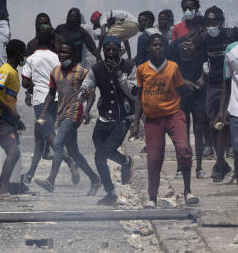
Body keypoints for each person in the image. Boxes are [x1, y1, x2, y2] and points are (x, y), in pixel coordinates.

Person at [131, 34, 199, 208]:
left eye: (161, 45)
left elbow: (181, 89)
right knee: (154, 158)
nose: (158, 48)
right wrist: (136, 121)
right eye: (154, 45)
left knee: (184, 149)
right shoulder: (142, 69)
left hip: (174, 115)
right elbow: (139, 96)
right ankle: (152, 197)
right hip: (153, 119)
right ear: (148, 48)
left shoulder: (173, 67)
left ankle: (188, 191)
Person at [35, 42, 101, 196]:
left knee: (57, 144)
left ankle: (50, 181)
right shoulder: (55, 72)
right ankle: (95, 179)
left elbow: (91, 93)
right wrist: (43, 112)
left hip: (75, 113)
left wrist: (87, 110)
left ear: (71, 55)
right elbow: (51, 93)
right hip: (62, 114)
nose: (62, 55)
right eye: (60, 52)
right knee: (74, 152)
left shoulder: (82, 72)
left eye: (66, 52)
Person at [79, 36, 136, 205]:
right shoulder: (97, 68)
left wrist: (119, 75)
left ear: (120, 50)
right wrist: (83, 95)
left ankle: (126, 162)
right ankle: (110, 192)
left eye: (114, 50)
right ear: (103, 51)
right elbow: (87, 87)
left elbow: (134, 92)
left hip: (123, 117)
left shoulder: (129, 67)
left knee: (109, 149)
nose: (110, 53)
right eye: (107, 50)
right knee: (98, 156)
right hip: (104, 117)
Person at [21, 31, 79, 185]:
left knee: (47, 135)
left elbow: (25, 81)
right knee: (40, 137)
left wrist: (32, 87)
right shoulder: (56, 57)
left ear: (37, 41)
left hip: (41, 102)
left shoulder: (31, 59)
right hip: (57, 99)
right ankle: (30, 174)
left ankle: (69, 160)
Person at [0, 39, 27, 201]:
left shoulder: (14, 72)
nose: (26, 57)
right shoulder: (5, 71)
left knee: (13, 152)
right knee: (13, 152)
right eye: (24, 53)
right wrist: (9, 111)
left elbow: (8, 99)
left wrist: (17, 119)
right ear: (17, 54)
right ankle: (2, 190)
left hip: (5, 117)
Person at [203, 6, 238, 181]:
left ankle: (220, 163)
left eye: (214, 22)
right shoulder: (204, 39)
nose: (211, 26)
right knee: (213, 124)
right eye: (208, 23)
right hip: (212, 86)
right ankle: (221, 161)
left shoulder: (231, 36)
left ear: (221, 22)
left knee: (224, 122)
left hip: (229, 85)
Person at [168, 33, 208, 179]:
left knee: (198, 131)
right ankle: (181, 167)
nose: (187, 48)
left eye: (190, 46)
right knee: (182, 133)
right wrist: (184, 81)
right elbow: (170, 72)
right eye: (184, 47)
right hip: (181, 96)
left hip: (198, 96)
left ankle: (199, 167)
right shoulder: (175, 55)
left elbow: (206, 68)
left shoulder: (200, 54)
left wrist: (202, 78)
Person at [217, 38, 238, 197]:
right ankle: (236, 171)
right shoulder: (231, 50)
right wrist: (222, 109)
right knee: (236, 144)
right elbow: (226, 80)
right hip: (235, 106)